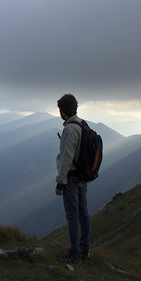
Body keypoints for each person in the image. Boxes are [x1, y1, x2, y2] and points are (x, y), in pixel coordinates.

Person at [55, 94, 90, 264]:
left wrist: (60, 183)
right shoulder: (83, 124)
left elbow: (66, 159)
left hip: (72, 178)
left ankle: (74, 253)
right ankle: (84, 250)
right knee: (83, 214)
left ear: (62, 110)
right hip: (83, 177)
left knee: (73, 216)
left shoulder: (69, 129)